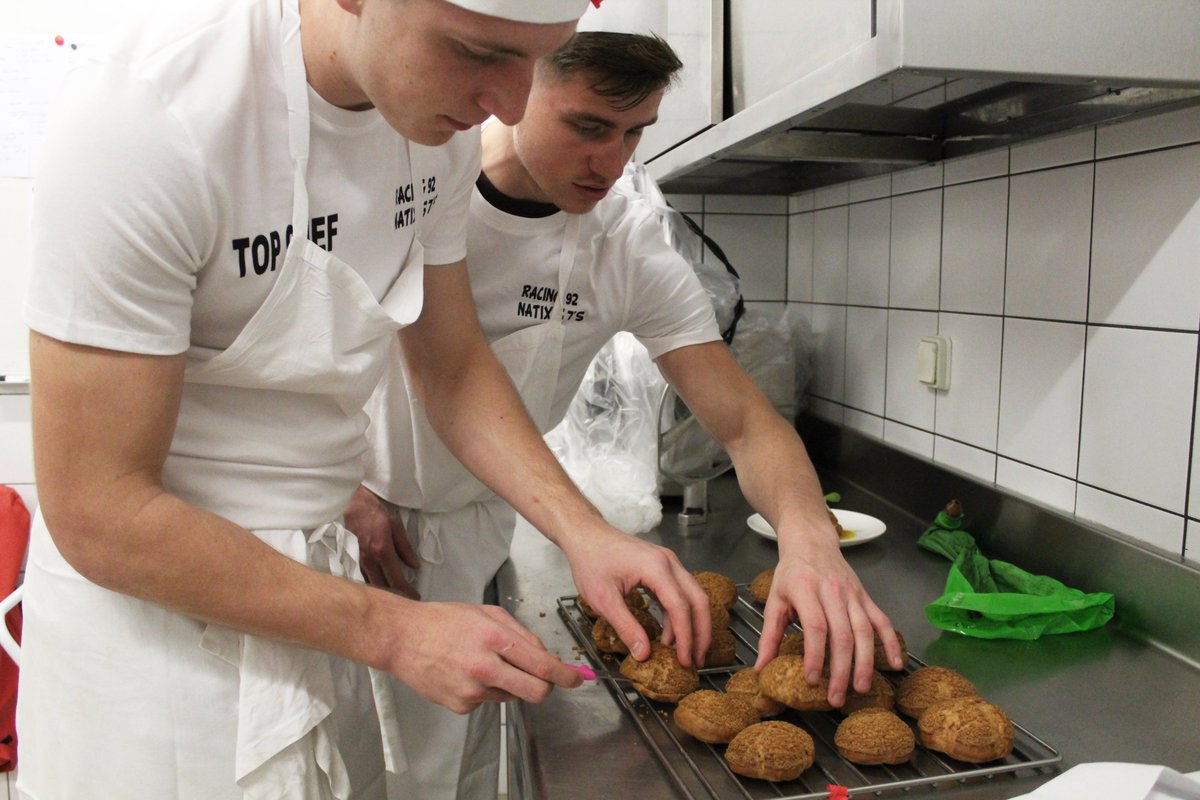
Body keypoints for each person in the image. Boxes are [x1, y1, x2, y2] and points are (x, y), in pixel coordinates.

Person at [18, 1, 714, 798]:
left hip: (318, 605)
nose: (509, 105)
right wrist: (391, 631)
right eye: (477, 51)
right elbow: (98, 510)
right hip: (158, 647)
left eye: (535, 59)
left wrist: (585, 534)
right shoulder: (148, 115)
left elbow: (452, 367)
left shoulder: (437, 136)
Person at [346, 30, 904, 800]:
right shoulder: (417, 186)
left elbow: (746, 423)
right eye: (587, 126)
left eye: (635, 132)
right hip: (358, 529)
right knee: (358, 770)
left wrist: (810, 539)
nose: (611, 162)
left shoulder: (626, 247)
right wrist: (339, 484)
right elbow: (319, 352)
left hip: (482, 523)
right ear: (514, 88)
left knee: (459, 770)